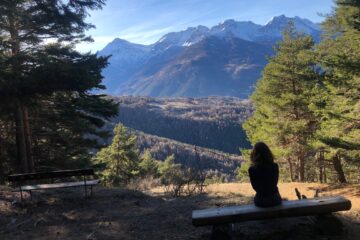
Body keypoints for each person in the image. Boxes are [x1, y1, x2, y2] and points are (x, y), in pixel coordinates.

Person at [248, 142, 282, 207]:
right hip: (275, 199)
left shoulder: (252, 169)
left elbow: (255, 187)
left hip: (261, 201)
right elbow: (274, 183)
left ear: (254, 154)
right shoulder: (274, 166)